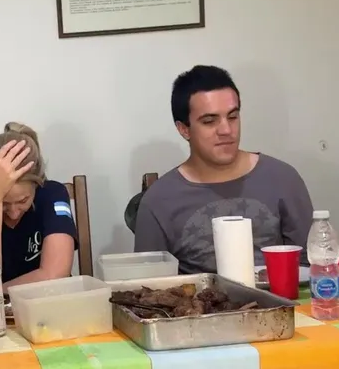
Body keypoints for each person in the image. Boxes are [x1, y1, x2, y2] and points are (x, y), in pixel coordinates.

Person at [134, 65, 314, 273]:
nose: (226, 130)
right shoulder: (158, 201)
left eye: (232, 117)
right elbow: (149, 284)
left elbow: (312, 264)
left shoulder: (282, 179)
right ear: (184, 129)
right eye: (209, 121)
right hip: (202, 294)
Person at [0, 123, 77, 286]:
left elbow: (55, 274)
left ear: (37, 184)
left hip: (47, 298)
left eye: (23, 201)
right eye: (4, 203)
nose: (14, 213)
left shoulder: (52, 194)